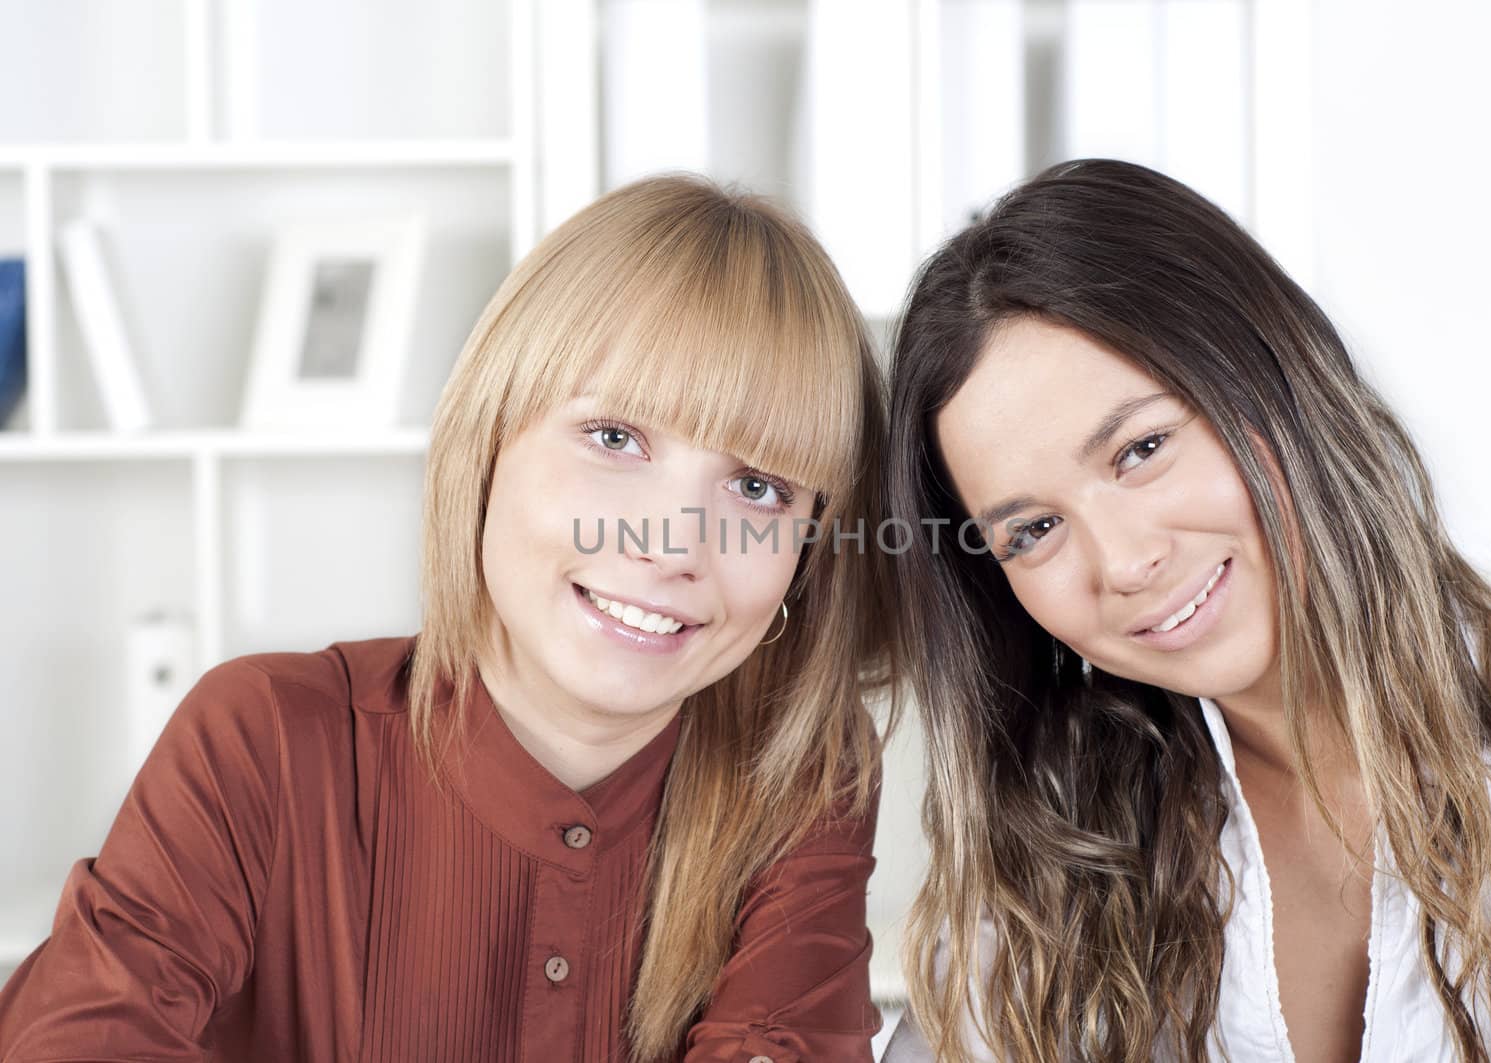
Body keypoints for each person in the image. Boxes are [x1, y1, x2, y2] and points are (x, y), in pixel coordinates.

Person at [0, 174, 896, 1062]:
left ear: (809, 548)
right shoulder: (264, 734)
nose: (673, 546)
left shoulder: (802, 778)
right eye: (616, 438)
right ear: (489, 438)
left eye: (756, 487)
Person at [879, 159, 1491, 1063]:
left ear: (1271, 377)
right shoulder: (1043, 869)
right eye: (1032, 529)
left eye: (1143, 448)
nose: (1127, 562)